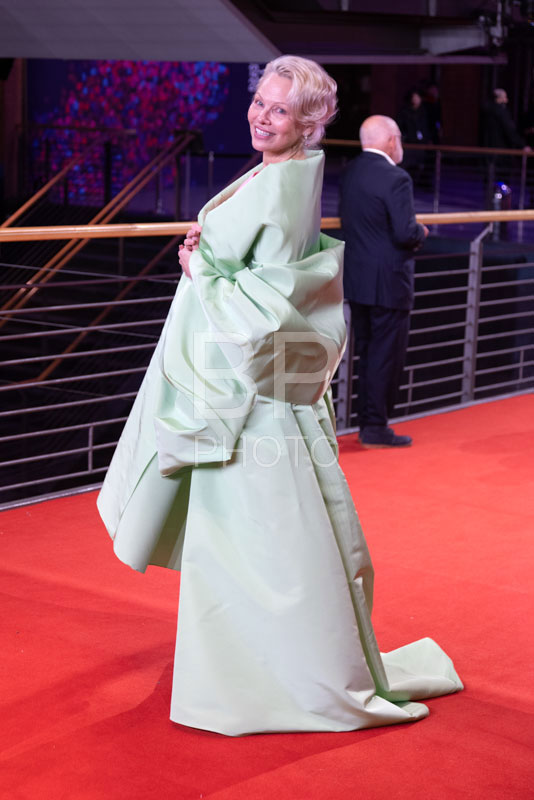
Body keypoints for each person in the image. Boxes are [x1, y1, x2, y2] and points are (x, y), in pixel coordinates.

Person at [97, 58, 461, 736]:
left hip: (249, 402)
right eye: (260, 102)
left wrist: (199, 267)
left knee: (257, 544)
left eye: (280, 109)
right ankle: (254, 668)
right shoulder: (284, 172)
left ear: (310, 122)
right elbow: (274, 269)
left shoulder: (287, 184)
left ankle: (263, 678)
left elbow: (268, 306)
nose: (262, 117)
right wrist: (209, 251)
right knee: (261, 545)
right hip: (248, 388)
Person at [340, 115, 429, 448]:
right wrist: (422, 232)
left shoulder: (350, 171)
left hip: (358, 281)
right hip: (389, 283)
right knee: (385, 357)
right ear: (391, 140)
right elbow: (406, 233)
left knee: (366, 353)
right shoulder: (396, 178)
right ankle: (375, 427)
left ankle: (367, 423)